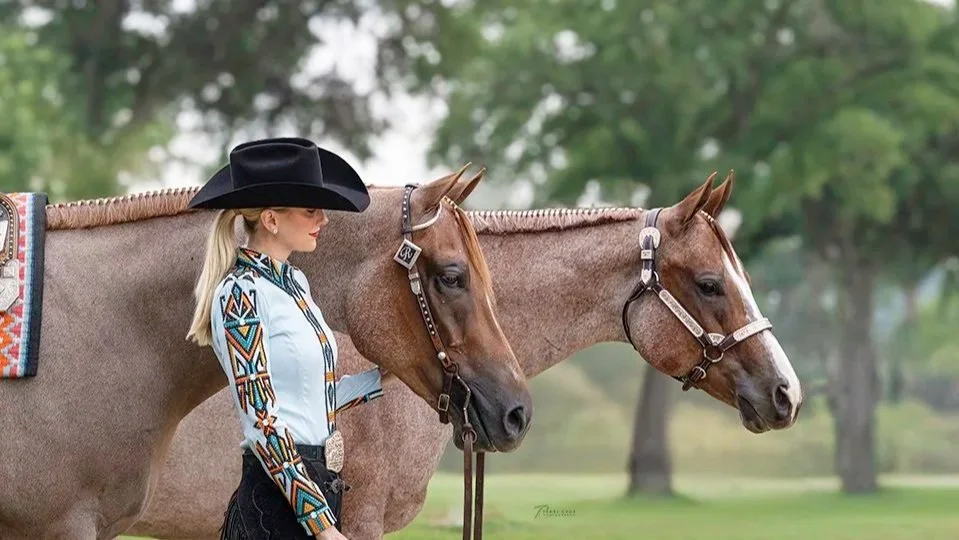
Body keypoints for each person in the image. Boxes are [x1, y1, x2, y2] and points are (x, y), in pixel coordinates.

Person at [186, 137, 389, 539]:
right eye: (311, 210)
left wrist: (385, 377)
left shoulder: (296, 283)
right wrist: (321, 526)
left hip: (319, 488)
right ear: (272, 220)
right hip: (277, 509)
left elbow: (308, 396)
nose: (324, 220)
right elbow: (263, 422)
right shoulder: (240, 296)